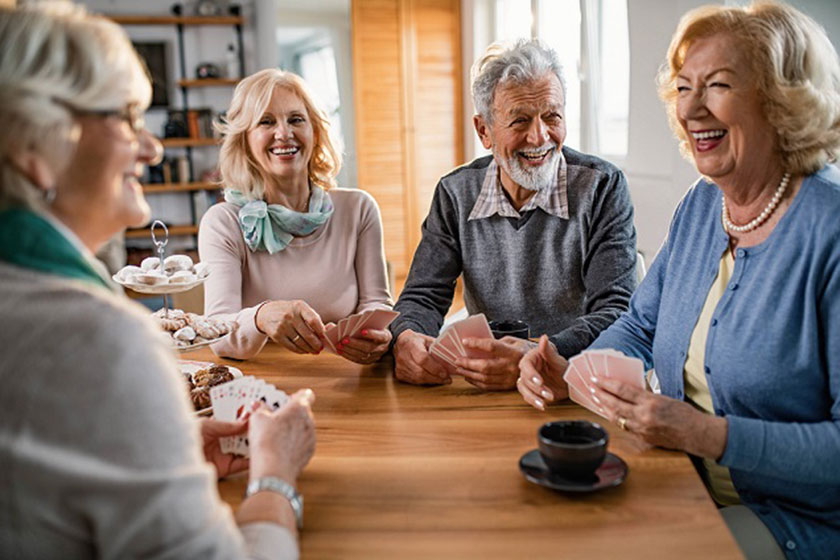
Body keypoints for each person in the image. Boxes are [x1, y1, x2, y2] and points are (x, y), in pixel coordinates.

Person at [518, 2, 840, 558]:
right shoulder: (701, 206)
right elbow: (642, 324)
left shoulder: (829, 228)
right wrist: (574, 369)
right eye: (683, 87)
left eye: (717, 85)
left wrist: (706, 435)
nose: (691, 107)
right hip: (685, 484)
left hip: (799, 520)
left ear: (781, 97)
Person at [0, 4, 315, 558]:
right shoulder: (99, 339)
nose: (152, 148)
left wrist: (164, 450)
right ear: (34, 146)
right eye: (125, 117)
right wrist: (275, 477)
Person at [390, 39, 637, 391]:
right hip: (485, 382)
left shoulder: (602, 187)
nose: (539, 137)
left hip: (573, 381)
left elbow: (617, 311)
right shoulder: (455, 193)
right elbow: (423, 295)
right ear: (484, 131)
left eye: (552, 116)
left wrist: (535, 355)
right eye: (520, 120)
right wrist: (407, 337)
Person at [200, 69, 393, 363]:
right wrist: (261, 317)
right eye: (266, 121)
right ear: (244, 141)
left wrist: (377, 337)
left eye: (296, 119)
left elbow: (376, 303)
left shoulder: (359, 209)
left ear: (315, 132)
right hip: (262, 388)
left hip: (347, 380)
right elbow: (218, 335)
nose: (284, 133)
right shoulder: (222, 222)